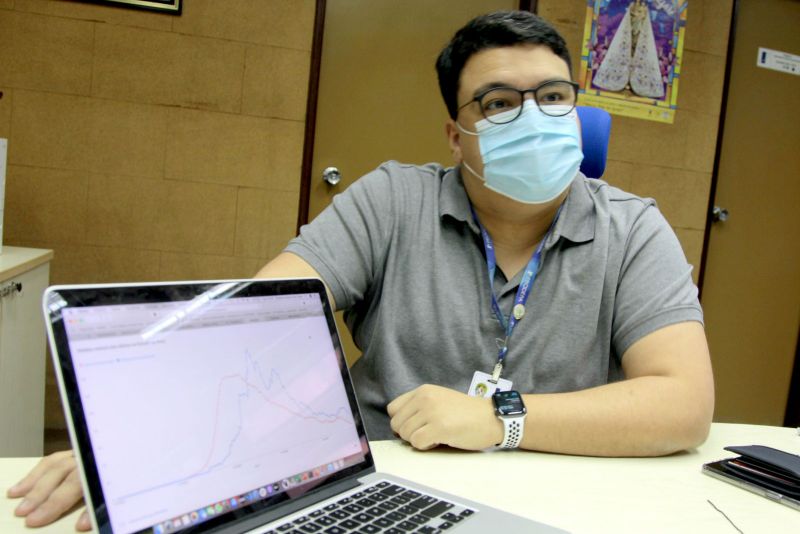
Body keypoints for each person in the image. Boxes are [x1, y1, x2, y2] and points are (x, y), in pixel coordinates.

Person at [7, 10, 714, 530]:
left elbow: (682, 404)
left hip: (563, 498)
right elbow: (261, 319)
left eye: (553, 97)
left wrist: (500, 420)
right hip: (380, 491)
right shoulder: (393, 199)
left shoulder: (632, 225)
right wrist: (143, 437)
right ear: (456, 133)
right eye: (500, 103)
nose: (534, 116)